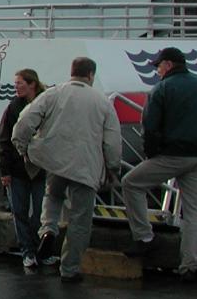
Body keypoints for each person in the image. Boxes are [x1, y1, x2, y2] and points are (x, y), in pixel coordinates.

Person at [11, 57, 122, 283]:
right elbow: (112, 143)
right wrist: (112, 168)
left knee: (52, 196)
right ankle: (69, 269)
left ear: (71, 72)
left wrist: (24, 148)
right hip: (86, 167)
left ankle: (48, 230)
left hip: (55, 161)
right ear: (90, 75)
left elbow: (24, 122)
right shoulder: (102, 103)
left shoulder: (53, 94)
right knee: (80, 220)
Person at [121, 47, 197, 280]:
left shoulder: (162, 89)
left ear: (167, 64)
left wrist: (152, 155)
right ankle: (188, 267)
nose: (157, 71)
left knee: (131, 183)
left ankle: (145, 237)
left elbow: (150, 127)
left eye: (157, 66)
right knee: (194, 212)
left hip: (172, 155)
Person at [0, 68, 48, 269]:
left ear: (32, 84)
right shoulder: (12, 108)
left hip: (41, 167)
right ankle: (27, 250)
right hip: (18, 169)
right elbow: (3, 140)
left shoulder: (45, 104)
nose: (16, 86)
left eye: (19, 83)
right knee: (19, 211)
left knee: (39, 213)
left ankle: (37, 249)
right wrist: (5, 170)